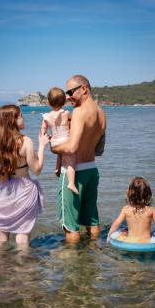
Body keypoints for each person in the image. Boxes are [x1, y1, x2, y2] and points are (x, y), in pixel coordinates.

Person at [0, 104, 49, 249]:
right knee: (22, 241)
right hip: (24, 193)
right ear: (12, 120)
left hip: (1, 194)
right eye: (20, 116)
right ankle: (22, 271)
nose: (23, 119)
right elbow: (36, 170)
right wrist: (42, 147)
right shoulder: (26, 142)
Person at [52, 75, 106, 243]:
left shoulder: (79, 112)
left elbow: (72, 147)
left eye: (70, 92)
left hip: (73, 174)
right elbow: (100, 149)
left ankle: (72, 265)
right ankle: (93, 255)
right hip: (91, 170)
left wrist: (53, 147)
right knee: (92, 221)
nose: (68, 97)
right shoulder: (101, 112)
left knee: (71, 227)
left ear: (84, 89)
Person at [107, 177, 155, 243]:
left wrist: (109, 236)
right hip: (146, 242)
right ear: (148, 194)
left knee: (124, 231)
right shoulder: (151, 210)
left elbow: (116, 223)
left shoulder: (126, 209)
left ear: (130, 193)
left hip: (130, 241)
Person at [41, 87, 79, 195]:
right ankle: (71, 183)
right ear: (63, 102)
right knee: (72, 162)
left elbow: (43, 130)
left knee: (60, 153)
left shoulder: (47, 116)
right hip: (65, 141)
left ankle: (57, 168)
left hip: (54, 141)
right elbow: (74, 121)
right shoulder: (66, 113)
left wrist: (46, 137)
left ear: (48, 102)